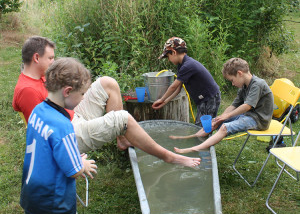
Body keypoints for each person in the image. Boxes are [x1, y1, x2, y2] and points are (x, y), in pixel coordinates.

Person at [13, 36, 200, 168]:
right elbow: (43, 136)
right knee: (123, 118)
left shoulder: (39, 77)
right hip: (70, 131)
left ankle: (123, 139)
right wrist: (74, 160)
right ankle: (168, 157)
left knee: (107, 83)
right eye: (50, 58)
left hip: (71, 115)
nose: (53, 62)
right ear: (36, 58)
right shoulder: (28, 90)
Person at [20, 57, 115, 214]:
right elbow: (73, 170)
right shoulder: (63, 126)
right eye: (81, 94)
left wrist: (72, 157)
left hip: (35, 189)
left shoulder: (39, 111)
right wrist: (83, 165)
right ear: (67, 91)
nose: (82, 99)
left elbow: (49, 149)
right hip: (51, 199)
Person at [173, 57, 274, 154]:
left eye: (232, 80)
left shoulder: (258, 84)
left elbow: (247, 106)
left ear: (240, 74)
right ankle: (192, 136)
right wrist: (220, 118)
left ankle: (194, 149)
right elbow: (234, 105)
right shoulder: (244, 86)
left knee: (225, 127)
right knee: (215, 122)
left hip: (259, 120)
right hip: (248, 116)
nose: (233, 84)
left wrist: (227, 116)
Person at [152, 37, 221, 126]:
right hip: (204, 99)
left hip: (210, 98)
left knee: (203, 127)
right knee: (202, 127)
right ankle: (205, 138)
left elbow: (173, 86)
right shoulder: (181, 65)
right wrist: (164, 102)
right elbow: (178, 89)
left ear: (174, 52)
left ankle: (205, 139)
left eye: (168, 57)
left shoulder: (188, 65)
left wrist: (161, 99)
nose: (168, 60)